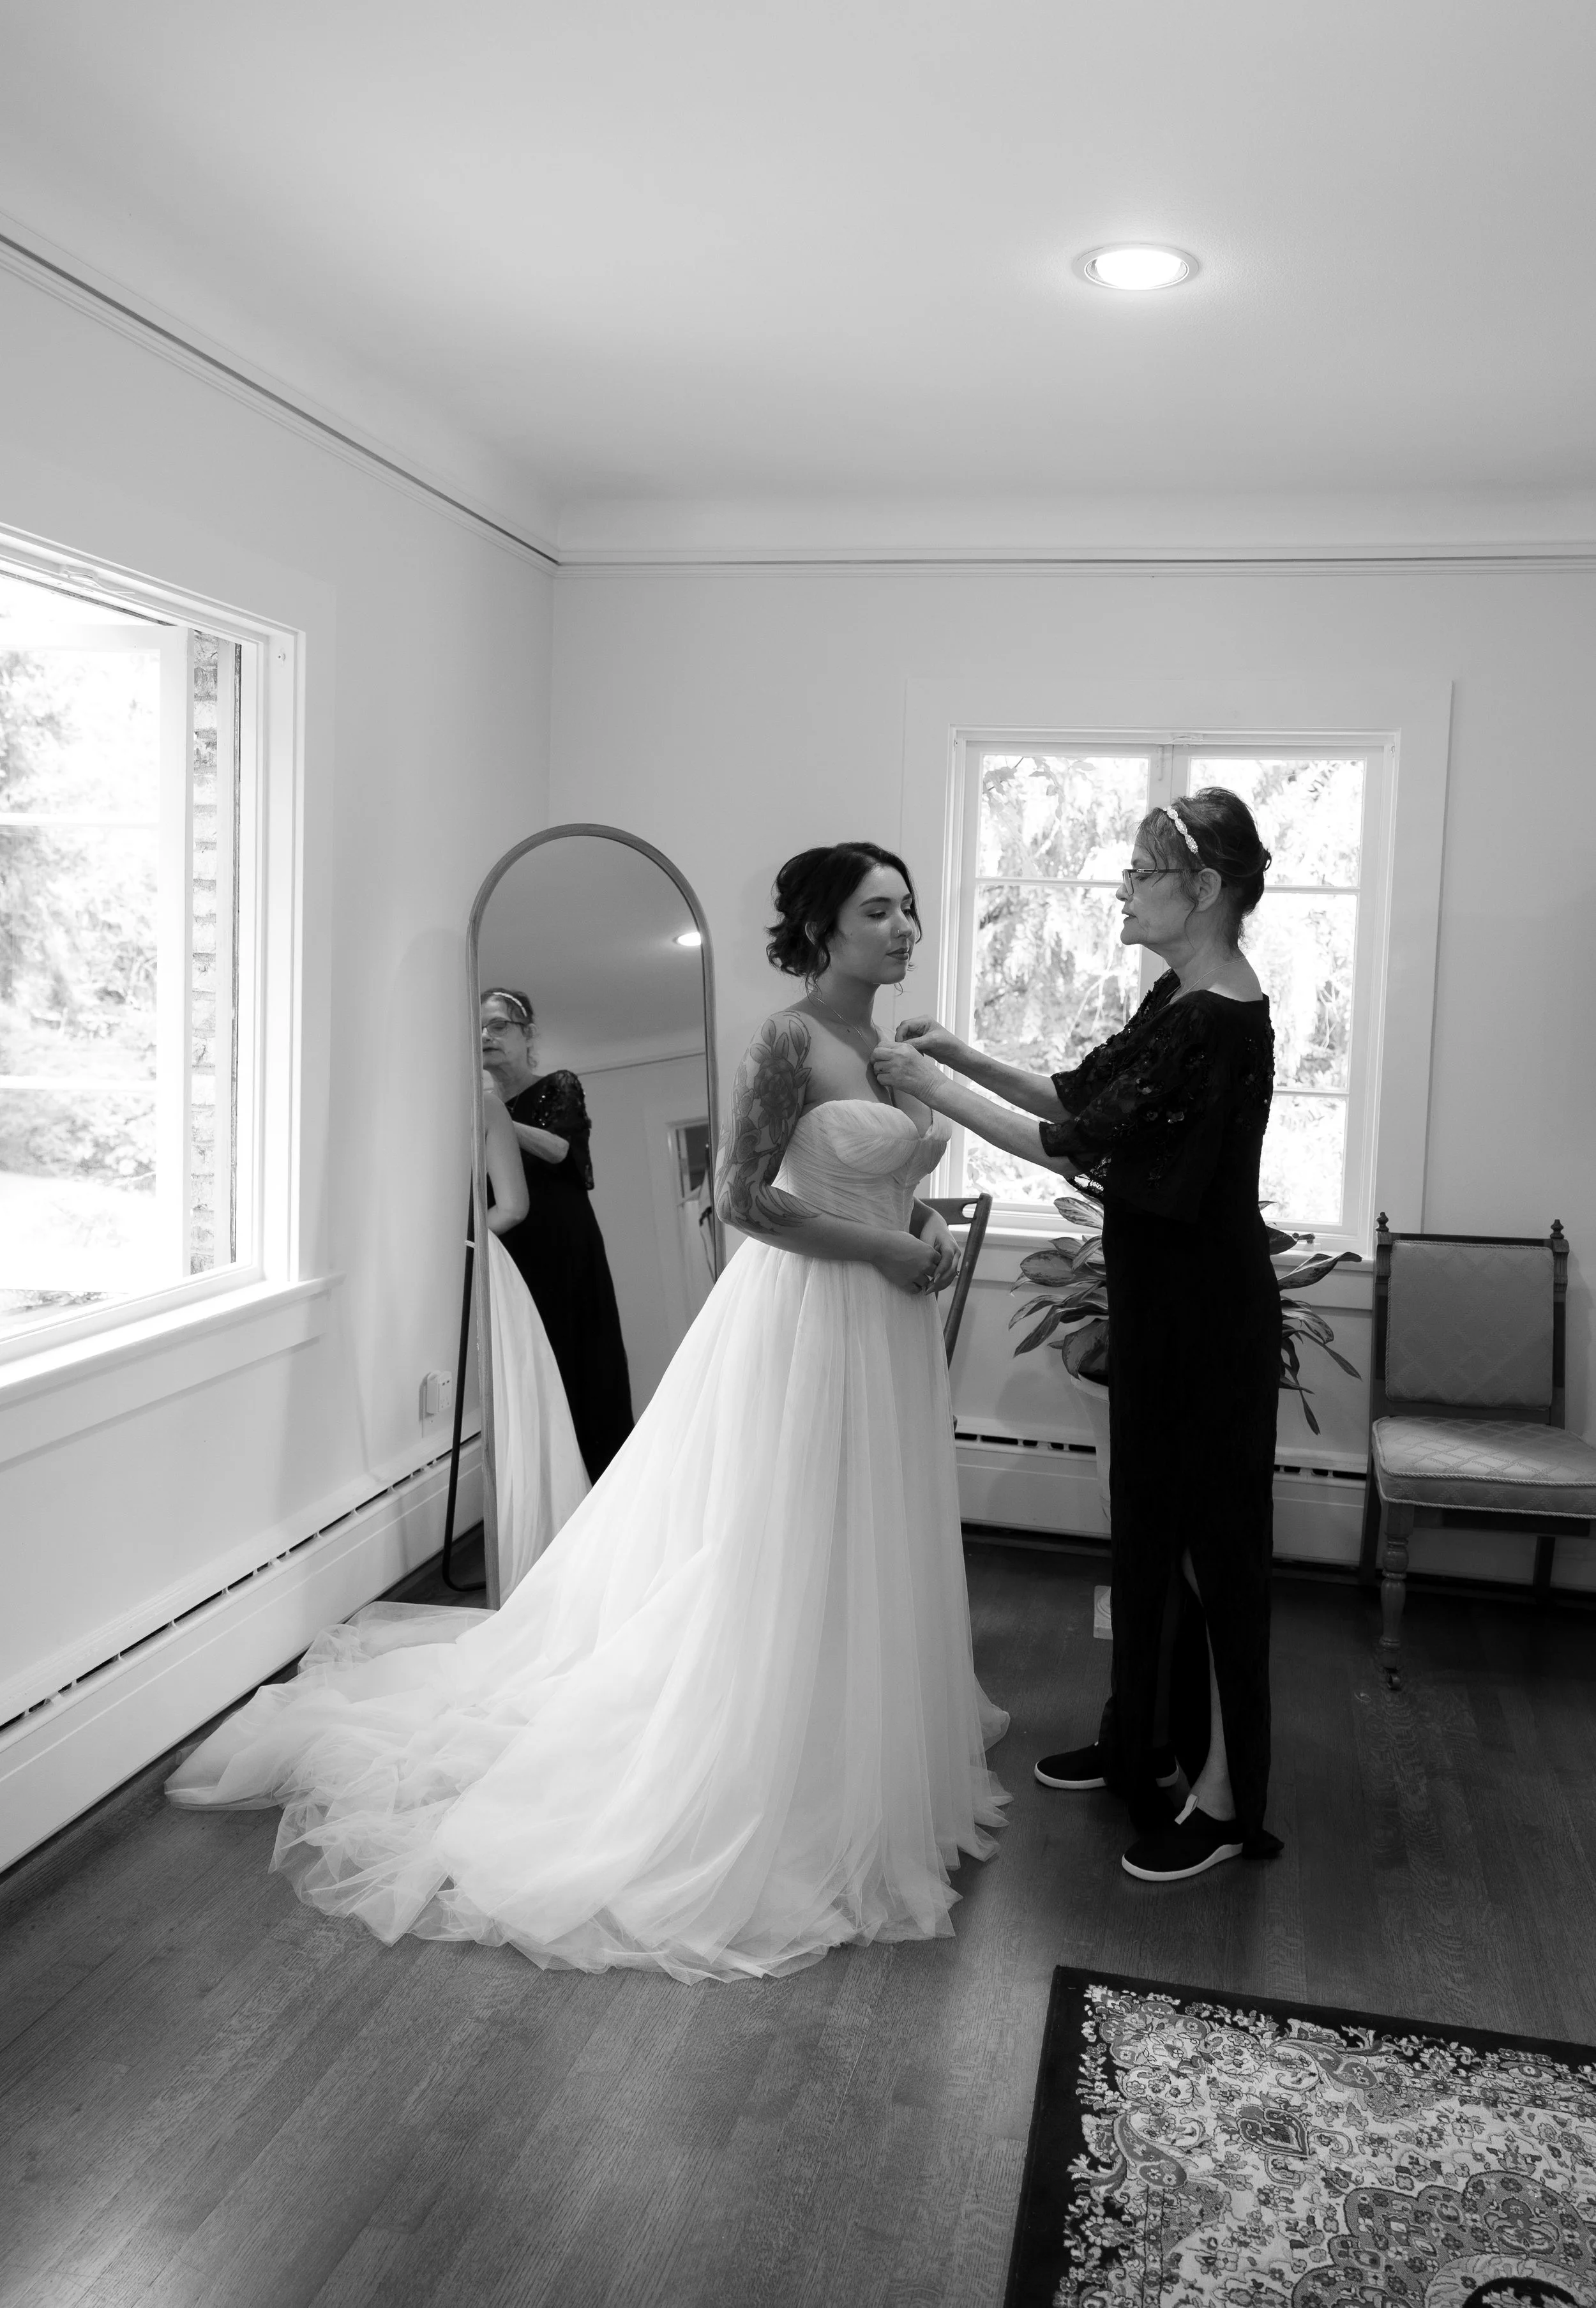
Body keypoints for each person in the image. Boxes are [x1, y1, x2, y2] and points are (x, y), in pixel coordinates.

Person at [167, 842, 1008, 1981]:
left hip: (888, 1319)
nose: (905, 926)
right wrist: (883, 1246)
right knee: (787, 1530)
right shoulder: (787, 1038)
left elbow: (898, 1170)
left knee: (874, 1526)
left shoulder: (896, 1044)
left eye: (910, 907)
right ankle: (757, 1756)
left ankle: (858, 1742)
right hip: (812, 1313)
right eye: (879, 909)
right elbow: (747, 1200)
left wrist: (929, 1227)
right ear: (820, 930)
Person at [872, 790, 1281, 1884]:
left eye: (1142, 876)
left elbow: (1071, 1144)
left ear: (1204, 890)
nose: (1122, 891)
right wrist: (960, 1051)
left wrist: (930, 1085)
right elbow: (1077, 1093)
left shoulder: (1217, 1019)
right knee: (1145, 1530)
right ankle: (1142, 1737)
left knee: (1208, 1548)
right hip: (1162, 1299)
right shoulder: (1178, 997)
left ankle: (1227, 1798)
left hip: (1208, 1316)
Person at [479, 990, 633, 1481]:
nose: (487, 1035)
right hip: (510, 1253)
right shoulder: (473, 1111)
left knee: (584, 1367)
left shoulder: (556, 1086)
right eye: (479, 1027)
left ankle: (606, 1492)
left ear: (529, 1035)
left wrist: (494, 1117)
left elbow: (560, 1148)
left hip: (565, 1251)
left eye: (500, 1025)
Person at [480, 1087, 589, 1593]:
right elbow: (513, 1207)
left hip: (420, 1263)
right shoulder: (483, 1102)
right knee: (516, 1406)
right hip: (475, 1256)